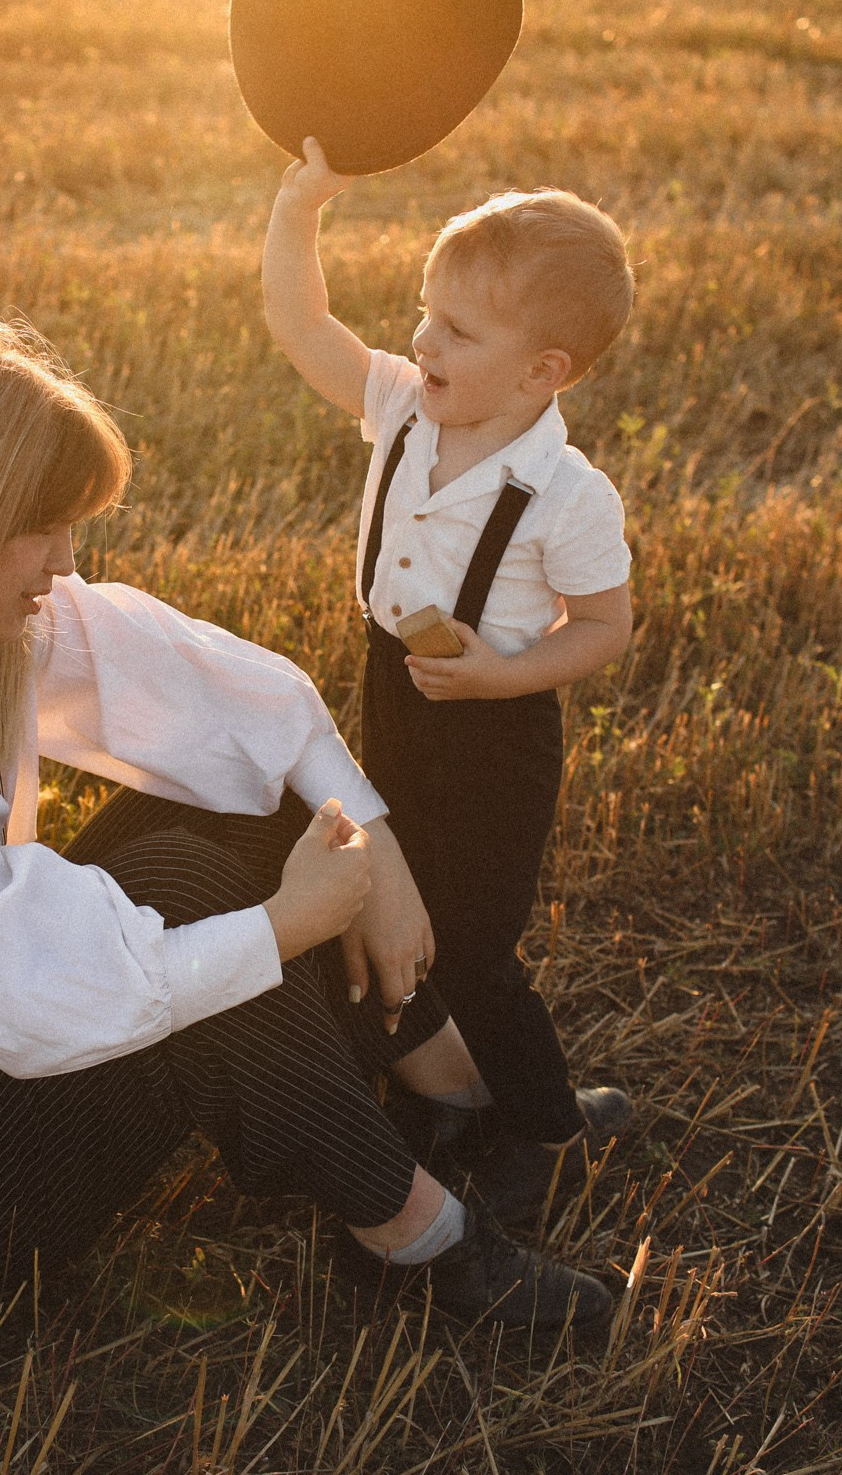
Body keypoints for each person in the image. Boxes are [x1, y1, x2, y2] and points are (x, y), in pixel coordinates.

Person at [0, 320, 613, 1332]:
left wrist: (373, 850)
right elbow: (21, 993)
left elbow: (251, 704)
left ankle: (450, 1089)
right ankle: (428, 1246)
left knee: (236, 790)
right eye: (40, 527)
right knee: (179, 891)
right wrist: (286, 925)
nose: (66, 558)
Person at [261, 139, 640, 1220]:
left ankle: (549, 1127)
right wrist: (301, 209)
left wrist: (506, 674)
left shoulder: (567, 493)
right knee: (391, 903)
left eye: (458, 329)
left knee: (473, 943)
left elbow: (607, 626)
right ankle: (447, 1092)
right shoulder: (400, 404)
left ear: (543, 372)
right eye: (425, 310)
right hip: (396, 689)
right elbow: (301, 325)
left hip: (497, 728)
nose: (422, 337)